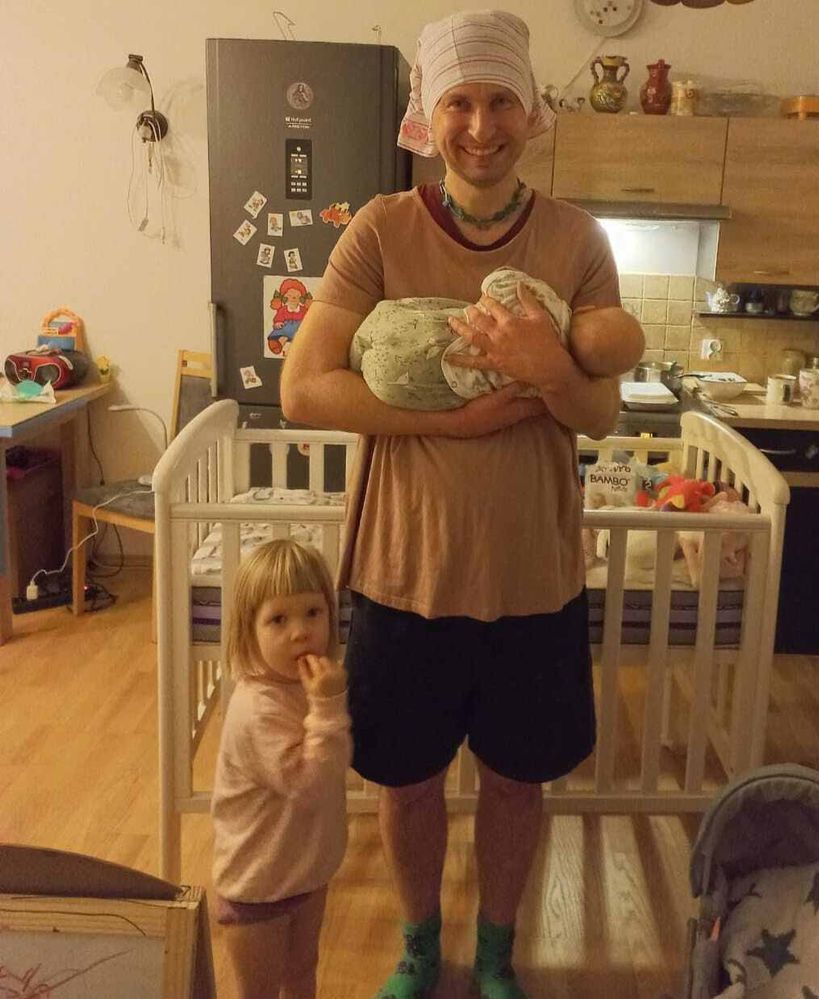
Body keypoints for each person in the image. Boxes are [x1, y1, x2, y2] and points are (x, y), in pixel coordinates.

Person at [280, 10, 643, 998]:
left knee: (518, 781)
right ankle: (416, 944)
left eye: (499, 103)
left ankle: (494, 952)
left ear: (530, 112)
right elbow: (303, 389)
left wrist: (548, 367)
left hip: (533, 576)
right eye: (459, 104)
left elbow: (599, 414)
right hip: (403, 572)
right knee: (405, 782)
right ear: (427, 115)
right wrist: (460, 421)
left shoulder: (576, 240)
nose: (480, 127)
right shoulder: (380, 231)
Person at [211, 539, 351, 999]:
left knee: (302, 973)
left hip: (303, 870)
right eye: (278, 620)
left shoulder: (306, 686)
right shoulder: (257, 710)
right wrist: (328, 707)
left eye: (313, 612)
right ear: (248, 631)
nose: (301, 632)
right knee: (260, 991)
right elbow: (311, 785)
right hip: (257, 885)